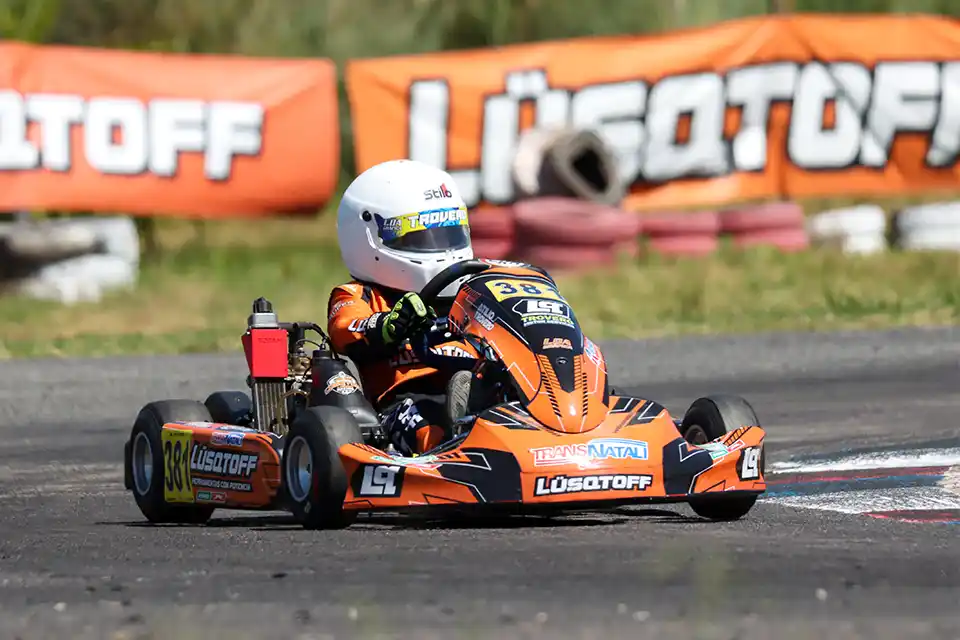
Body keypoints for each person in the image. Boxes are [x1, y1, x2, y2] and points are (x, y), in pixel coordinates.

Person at [326, 159, 477, 457]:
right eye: (417, 236)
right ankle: (452, 448)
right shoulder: (358, 295)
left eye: (449, 233)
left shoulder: (470, 292)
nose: (440, 246)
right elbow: (345, 329)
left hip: (472, 381)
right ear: (366, 235)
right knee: (427, 426)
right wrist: (390, 325)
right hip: (402, 399)